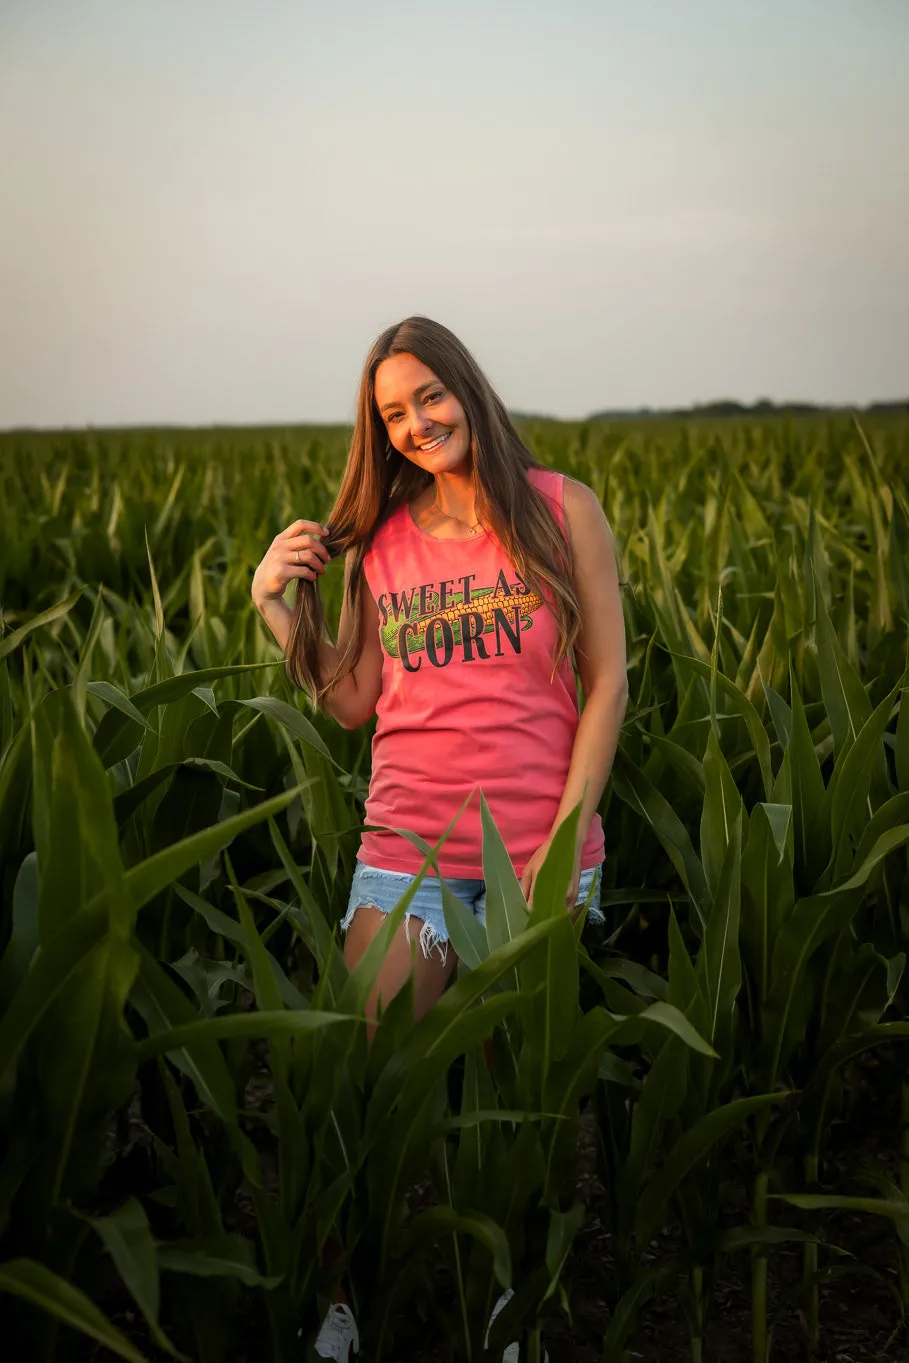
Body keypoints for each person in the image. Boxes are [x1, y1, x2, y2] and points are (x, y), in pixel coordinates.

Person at [251, 316, 628, 1361]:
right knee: (364, 1089)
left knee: (519, 1102)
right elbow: (354, 702)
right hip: (405, 859)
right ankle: (347, 1296)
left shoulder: (563, 511)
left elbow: (607, 683)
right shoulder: (386, 544)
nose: (416, 424)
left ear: (466, 385)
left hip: (534, 866)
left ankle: (511, 1307)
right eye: (392, 414)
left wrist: (559, 849)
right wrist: (276, 607)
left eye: (428, 397)